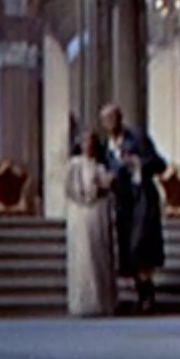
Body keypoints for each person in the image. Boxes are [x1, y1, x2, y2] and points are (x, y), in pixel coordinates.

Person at [99, 104, 166, 314]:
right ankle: (141, 293)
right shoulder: (106, 146)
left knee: (142, 245)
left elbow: (159, 164)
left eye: (113, 118)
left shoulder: (137, 138)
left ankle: (148, 295)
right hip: (123, 202)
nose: (110, 123)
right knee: (128, 249)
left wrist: (137, 163)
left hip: (143, 198)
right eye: (106, 120)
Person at [65, 130, 116, 317]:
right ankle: (84, 303)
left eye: (92, 141)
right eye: (86, 141)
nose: (89, 145)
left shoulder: (100, 165)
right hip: (82, 214)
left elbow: (109, 187)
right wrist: (93, 190)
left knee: (99, 255)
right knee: (84, 256)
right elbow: (72, 189)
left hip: (99, 214)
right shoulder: (75, 165)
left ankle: (103, 302)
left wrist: (107, 185)